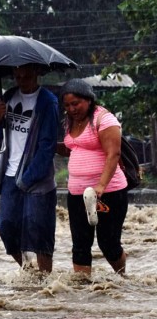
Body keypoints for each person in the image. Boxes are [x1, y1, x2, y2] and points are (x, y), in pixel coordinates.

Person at [0, 64, 59, 273]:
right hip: (10, 174)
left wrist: (28, 178)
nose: (22, 80)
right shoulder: (9, 96)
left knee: (39, 231)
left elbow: (47, 146)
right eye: (18, 77)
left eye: (27, 76)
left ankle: (46, 282)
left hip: (37, 178)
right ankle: (29, 273)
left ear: (37, 73)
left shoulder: (48, 102)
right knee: (7, 228)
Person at [56, 78, 127, 275]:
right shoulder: (69, 122)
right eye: (67, 105)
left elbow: (114, 154)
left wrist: (101, 186)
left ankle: (122, 277)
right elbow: (73, 149)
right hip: (77, 193)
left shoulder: (104, 119)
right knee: (80, 245)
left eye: (76, 103)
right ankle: (82, 295)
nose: (71, 109)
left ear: (88, 99)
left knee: (108, 244)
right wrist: (47, 145)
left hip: (108, 192)